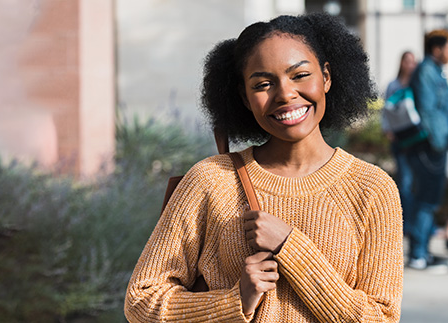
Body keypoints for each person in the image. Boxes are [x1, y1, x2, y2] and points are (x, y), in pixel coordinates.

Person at [124, 13, 403, 322]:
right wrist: (235, 301)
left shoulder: (372, 188)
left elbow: (382, 318)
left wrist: (290, 247)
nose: (284, 94)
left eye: (299, 75)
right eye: (263, 84)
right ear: (245, 97)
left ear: (326, 77)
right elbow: (141, 302)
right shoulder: (211, 180)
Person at [405, 29, 448, 273]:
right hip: (429, 146)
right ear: (437, 49)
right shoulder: (426, 71)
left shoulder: (436, 71)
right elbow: (428, 111)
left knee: (430, 198)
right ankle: (418, 254)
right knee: (425, 198)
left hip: (438, 144)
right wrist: (438, 142)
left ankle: (423, 251)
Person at [381, 51, 418, 236]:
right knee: (404, 182)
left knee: (416, 184)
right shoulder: (393, 85)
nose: (410, 65)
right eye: (407, 61)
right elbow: (385, 110)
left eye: (413, 61)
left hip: (416, 139)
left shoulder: (417, 84)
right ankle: (404, 225)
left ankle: (414, 224)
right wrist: (388, 130)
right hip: (399, 138)